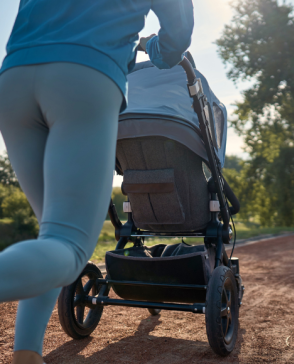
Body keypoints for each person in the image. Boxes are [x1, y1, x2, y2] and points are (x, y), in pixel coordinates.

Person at [0, 0, 194, 363]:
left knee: (51, 237)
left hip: (14, 78)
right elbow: (177, 34)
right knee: (68, 248)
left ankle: (26, 354)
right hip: (83, 78)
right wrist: (152, 48)